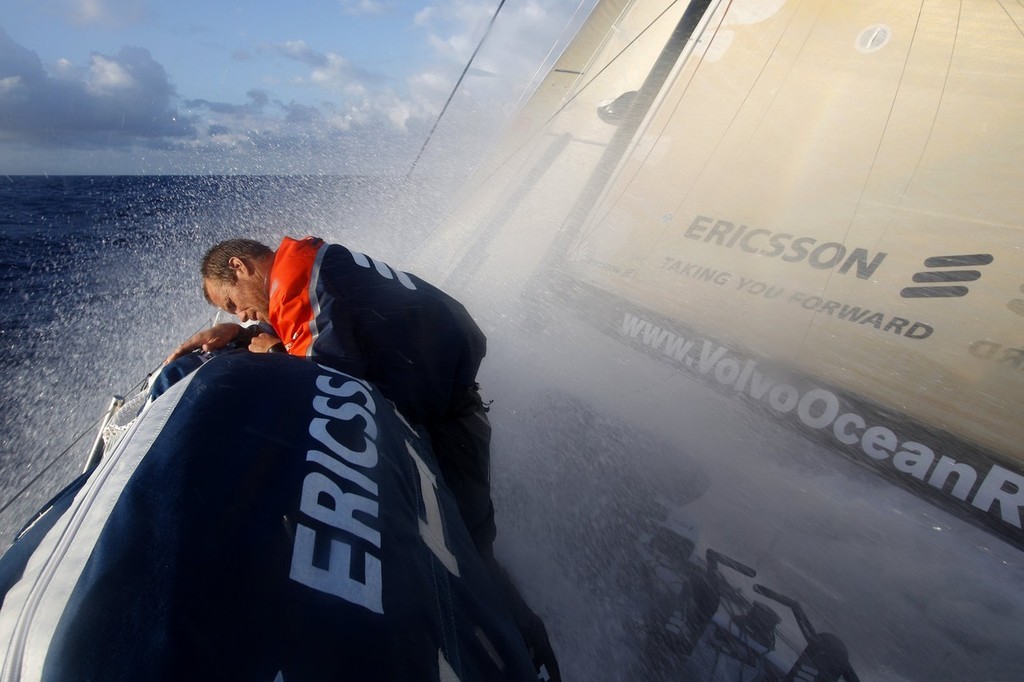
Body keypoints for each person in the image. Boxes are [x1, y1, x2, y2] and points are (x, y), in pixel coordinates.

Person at [166, 236, 560, 681]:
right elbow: (328, 331)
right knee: (468, 543)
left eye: (232, 304)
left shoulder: (296, 280)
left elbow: (330, 381)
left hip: (452, 422)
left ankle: (533, 659)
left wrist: (267, 348)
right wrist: (245, 334)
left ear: (240, 266)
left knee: (470, 551)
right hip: (447, 400)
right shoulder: (309, 264)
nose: (240, 313)